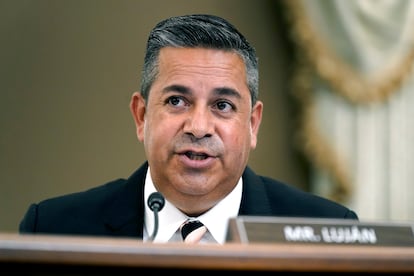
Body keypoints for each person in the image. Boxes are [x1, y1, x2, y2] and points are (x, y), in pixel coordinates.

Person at [19, 14, 358, 244]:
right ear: (141, 115)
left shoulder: (327, 231)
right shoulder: (54, 229)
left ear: (253, 124)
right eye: (177, 101)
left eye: (222, 105)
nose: (198, 127)